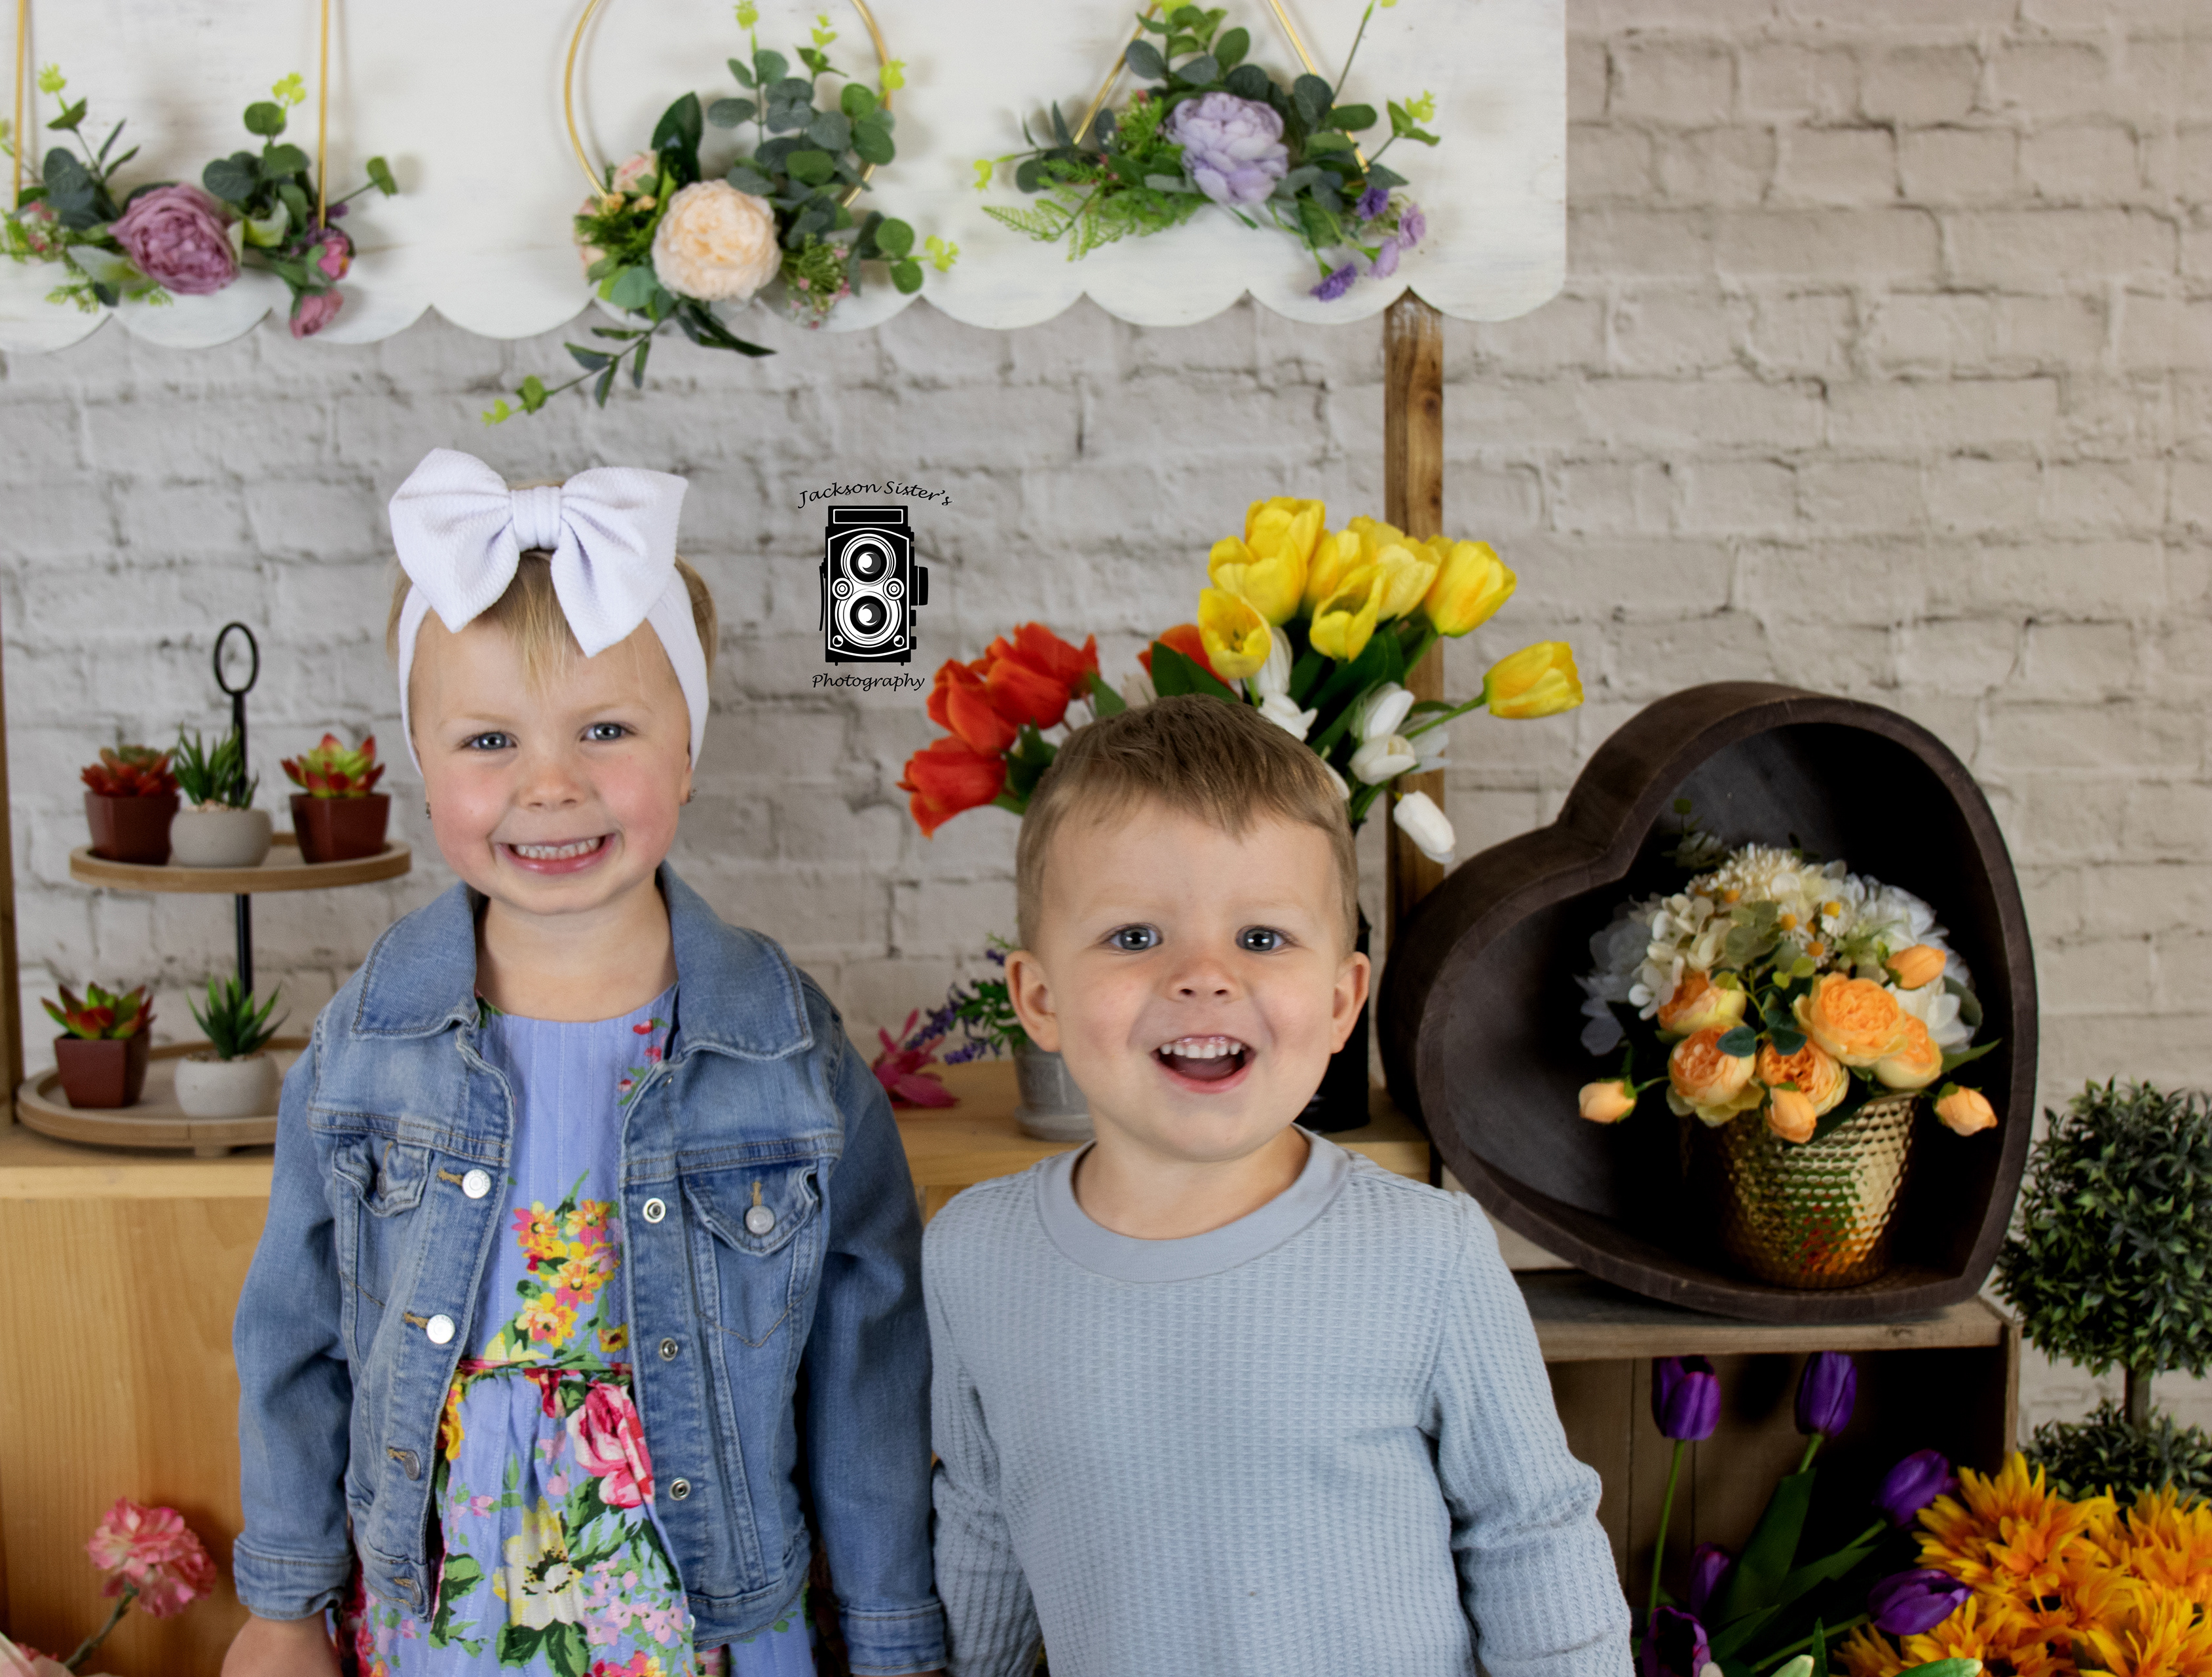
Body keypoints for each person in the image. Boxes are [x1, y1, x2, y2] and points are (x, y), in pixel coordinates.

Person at [224, 452, 945, 1677]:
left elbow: (868, 1359)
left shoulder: (782, 1046)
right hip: (449, 1607)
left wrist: (887, 1635)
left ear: (688, 752)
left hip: (708, 1608)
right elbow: (293, 1339)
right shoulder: (370, 1043)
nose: (550, 785)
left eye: (605, 731)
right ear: (421, 765)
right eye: (488, 739)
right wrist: (285, 1604)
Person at [925, 696, 1630, 1676]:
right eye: (1134, 937)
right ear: (1038, 999)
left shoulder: (1427, 1255)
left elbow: (1532, 1536)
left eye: (1260, 938)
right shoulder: (975, 1257)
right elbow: (983, 1522)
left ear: (1342, 1002)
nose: (1203, 976)